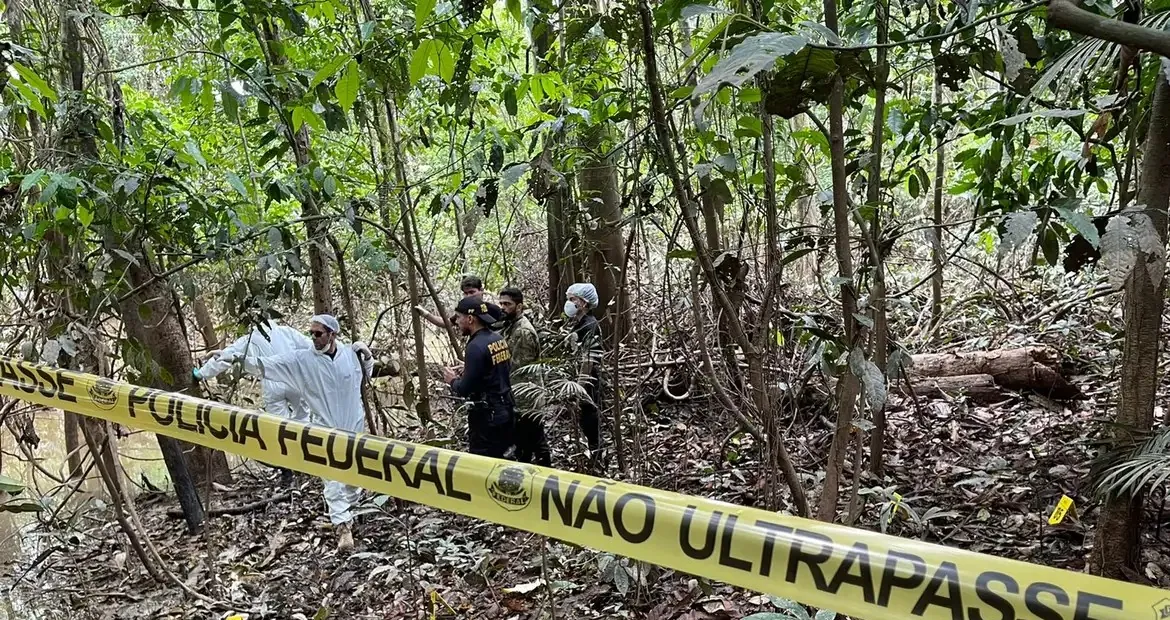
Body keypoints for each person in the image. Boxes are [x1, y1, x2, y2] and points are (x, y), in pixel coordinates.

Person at [234, 314, 373, 553]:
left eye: (318, 333)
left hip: (353, 426)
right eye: (311, 333)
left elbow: (364, 377)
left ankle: (351, 512)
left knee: (353, 476)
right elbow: (269, 365)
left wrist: (368, 358)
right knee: (331, 477)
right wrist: (233, 358)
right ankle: (342, 528)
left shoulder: (350, 355)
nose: (313, 338)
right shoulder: (303, 360)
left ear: (332, 334)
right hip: (324, 428)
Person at [193, 319, 312, 422]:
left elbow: (225, 357)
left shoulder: (247, 340)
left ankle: (284, 446)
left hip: (272, 386)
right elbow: (311, 348)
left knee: (280, 425)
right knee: (303, 420)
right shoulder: (286, 332)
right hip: (295, 382)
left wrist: (202, 373)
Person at [441, 297, 515, 458]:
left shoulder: (475, 346)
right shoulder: (497, 338)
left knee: (484, 463)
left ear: (470, 319)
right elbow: (496, 371)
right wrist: (469, 369)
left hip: (487, 418)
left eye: (459, 317)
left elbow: (464, 389)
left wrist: (452, 379)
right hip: (506, 409)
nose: (457, 322)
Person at [497, 287, 550, 466]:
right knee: (524, 444)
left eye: (508, 304)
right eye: (501, 303)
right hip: (519, 396)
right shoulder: (510, 326)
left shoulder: (523, 331)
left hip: (528, 398)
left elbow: (519, 369)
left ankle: (550, 479)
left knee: (536, 441)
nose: (503, 307)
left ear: (519, 306)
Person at [565, 282, 603, 464]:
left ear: (584, 303)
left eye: (573, 300)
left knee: (590, 421)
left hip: (589, 381)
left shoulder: (589, 325)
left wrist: (578, 389)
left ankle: (598, 459)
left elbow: (588, 360)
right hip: (582, 380)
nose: (569, 303)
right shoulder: (579, 323)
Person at [415, 274, 485, 329]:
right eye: (466, 293)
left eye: (472, 292)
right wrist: (426, 314)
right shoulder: (465, 310)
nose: (468, 296)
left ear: (481, 290)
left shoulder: (492, 309)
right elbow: (446, 322)